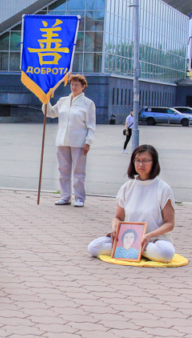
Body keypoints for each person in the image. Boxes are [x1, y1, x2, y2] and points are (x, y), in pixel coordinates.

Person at [87, 145, 176, 263]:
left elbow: (169, 224)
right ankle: (137, 250)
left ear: (154, 163)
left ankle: (133, 250)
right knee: (94, 247)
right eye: (137, 160)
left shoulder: (163, 189)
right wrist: (115, 228)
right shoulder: (127, 187)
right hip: (128, 239)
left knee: (166, 253)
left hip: (155, 240)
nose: (141, 164)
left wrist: (149, 236)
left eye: (145, 161)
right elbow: (118, 217)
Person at [43, 74, 96, 207]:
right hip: (62, 141)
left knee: (79, 172)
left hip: (79, 142)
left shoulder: (88, 103)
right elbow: (50, 113)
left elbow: (91, 125)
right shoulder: (63, 101)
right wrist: (46, 101)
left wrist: (88, 142)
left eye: (76, 85)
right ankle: (65, 196)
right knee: (63, 170)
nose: (73, 87)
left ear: (83, 87)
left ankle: (79, 198)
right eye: (72, 84)